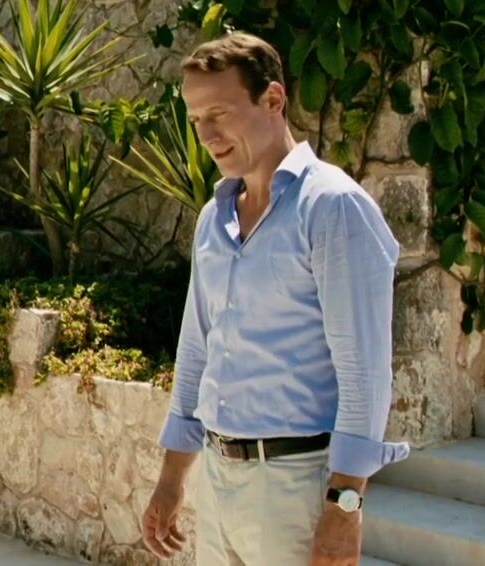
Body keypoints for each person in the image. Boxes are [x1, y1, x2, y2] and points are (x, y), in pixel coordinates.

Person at [139, 32, 410, 565]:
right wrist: (172, 479)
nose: (207, 135)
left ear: (273, 99)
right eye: (196, 120)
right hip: (218, 480)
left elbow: (364, 373)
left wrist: (345, 506)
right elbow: (195, 353)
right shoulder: (213, 219)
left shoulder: (333, 207)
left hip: (295, 489)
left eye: (219, 113)